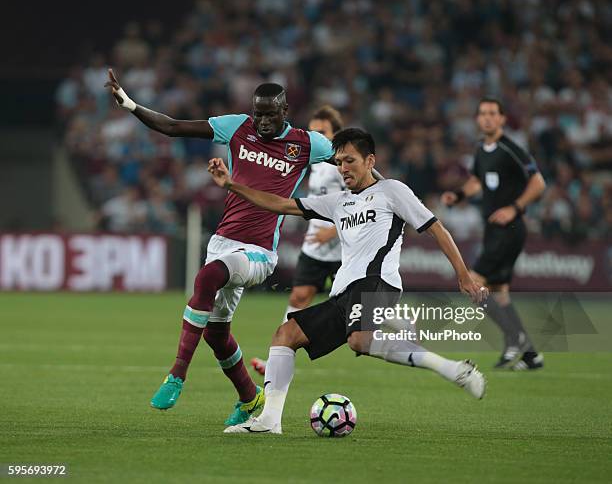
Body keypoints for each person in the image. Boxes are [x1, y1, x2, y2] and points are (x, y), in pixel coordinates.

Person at [207, 128, 489, 434]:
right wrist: (232, 185)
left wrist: (463, 275)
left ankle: (453, 370)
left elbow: (436, 228)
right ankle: (269, 421)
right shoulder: (337, 202)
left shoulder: (392, 191)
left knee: (359, 339)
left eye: (350, 160)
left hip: (377, 283)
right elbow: (281, 204)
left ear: (370, 161)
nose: (343, 168)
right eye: (339, 162)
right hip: (344, 293)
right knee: (285, 335)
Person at [105, 69, 335, 425]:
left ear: (285, 110)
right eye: (257, 113)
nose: (261, 121)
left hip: (259, 253)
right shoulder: (237, 127)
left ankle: (177, 374)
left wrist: (385, 190)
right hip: (223, 242)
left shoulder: (307, 144)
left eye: (269, 114)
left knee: (208, 277)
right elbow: (173, 126)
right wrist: (130, 104)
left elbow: (349, 158)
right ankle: (248, 397)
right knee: (215, 332)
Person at [441, 98, 546, 370]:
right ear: (477, 119)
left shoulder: (510, 149)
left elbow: (538, 182)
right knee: (499, 293)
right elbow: (477, 180)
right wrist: (460, 194)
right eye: (483, 113)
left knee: (473, 283)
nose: (487, 118)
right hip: (493, 230)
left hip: (509, 229)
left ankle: (516, 338)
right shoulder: (481, 149)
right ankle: (531, 355)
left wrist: (514, 208)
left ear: (502, 119)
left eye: (493, 114)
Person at [251, 105, 345, 376]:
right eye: (314, 132)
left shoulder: (342, 165)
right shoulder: (314, 164)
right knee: (299, 296)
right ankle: (277, 359)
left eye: (323, 132)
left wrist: (334, 229)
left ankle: (401, 323)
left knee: (358, 305)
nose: (317, 137)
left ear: (335, 135)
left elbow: (358, 203)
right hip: (315, 247)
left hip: (344, 249)